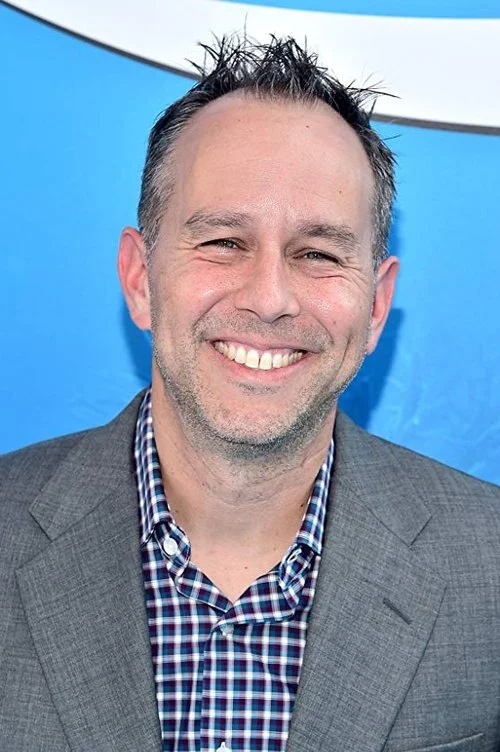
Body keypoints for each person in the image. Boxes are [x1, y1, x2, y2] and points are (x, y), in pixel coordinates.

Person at [1, 35, 499, 752]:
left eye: (318, 253)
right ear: (140, 279)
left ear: (376, 305)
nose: (269, 299)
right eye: (223, 242)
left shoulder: (490, 567)